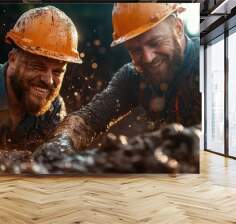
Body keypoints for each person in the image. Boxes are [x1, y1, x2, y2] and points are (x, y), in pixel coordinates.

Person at [33, 3, 201, 160]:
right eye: (135, 50)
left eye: (155, 43)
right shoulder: (133, 76)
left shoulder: (207, 61)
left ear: (178, 29)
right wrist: (61, 142)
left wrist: (152, 145)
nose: (148, 58)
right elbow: (90, 117)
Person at [0, 6, 82, 150]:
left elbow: (56, 161)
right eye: (38, 67)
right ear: (12, 59)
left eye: (57, 72)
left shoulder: (54, 108)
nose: (48, 80)